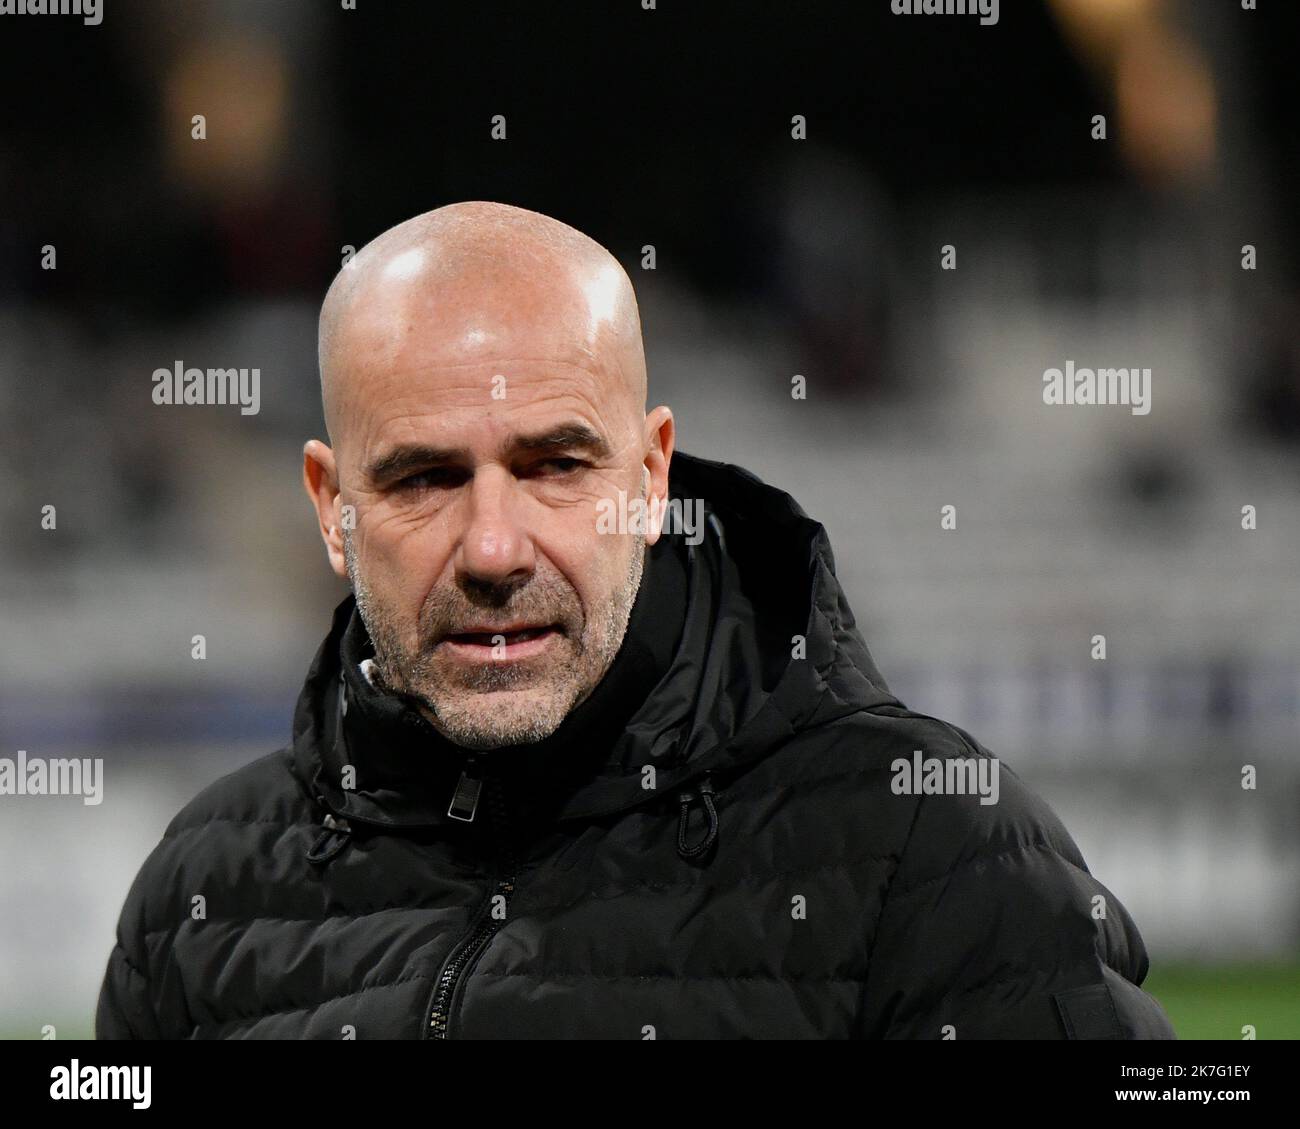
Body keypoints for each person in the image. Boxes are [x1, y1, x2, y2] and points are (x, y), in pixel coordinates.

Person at [95, 201, 1175, 1039]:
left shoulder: (931, 852)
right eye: (424, 477)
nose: (493, 549)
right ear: (332, 508)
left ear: (652, 475)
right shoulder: (199, 897)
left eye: (555, 465)